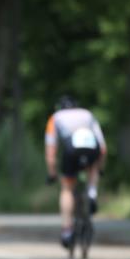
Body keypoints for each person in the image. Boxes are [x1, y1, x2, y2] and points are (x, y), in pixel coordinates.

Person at [44, 96, 107, 250]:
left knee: (67, 189)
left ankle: (67, 230)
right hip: (91, 146)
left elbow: (51, 152)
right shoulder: (88, 114)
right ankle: (92, 193)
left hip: (72, 148)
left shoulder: (55, 118)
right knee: (93, 169)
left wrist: (52, 174)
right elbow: (103, 148)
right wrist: (100, 168)